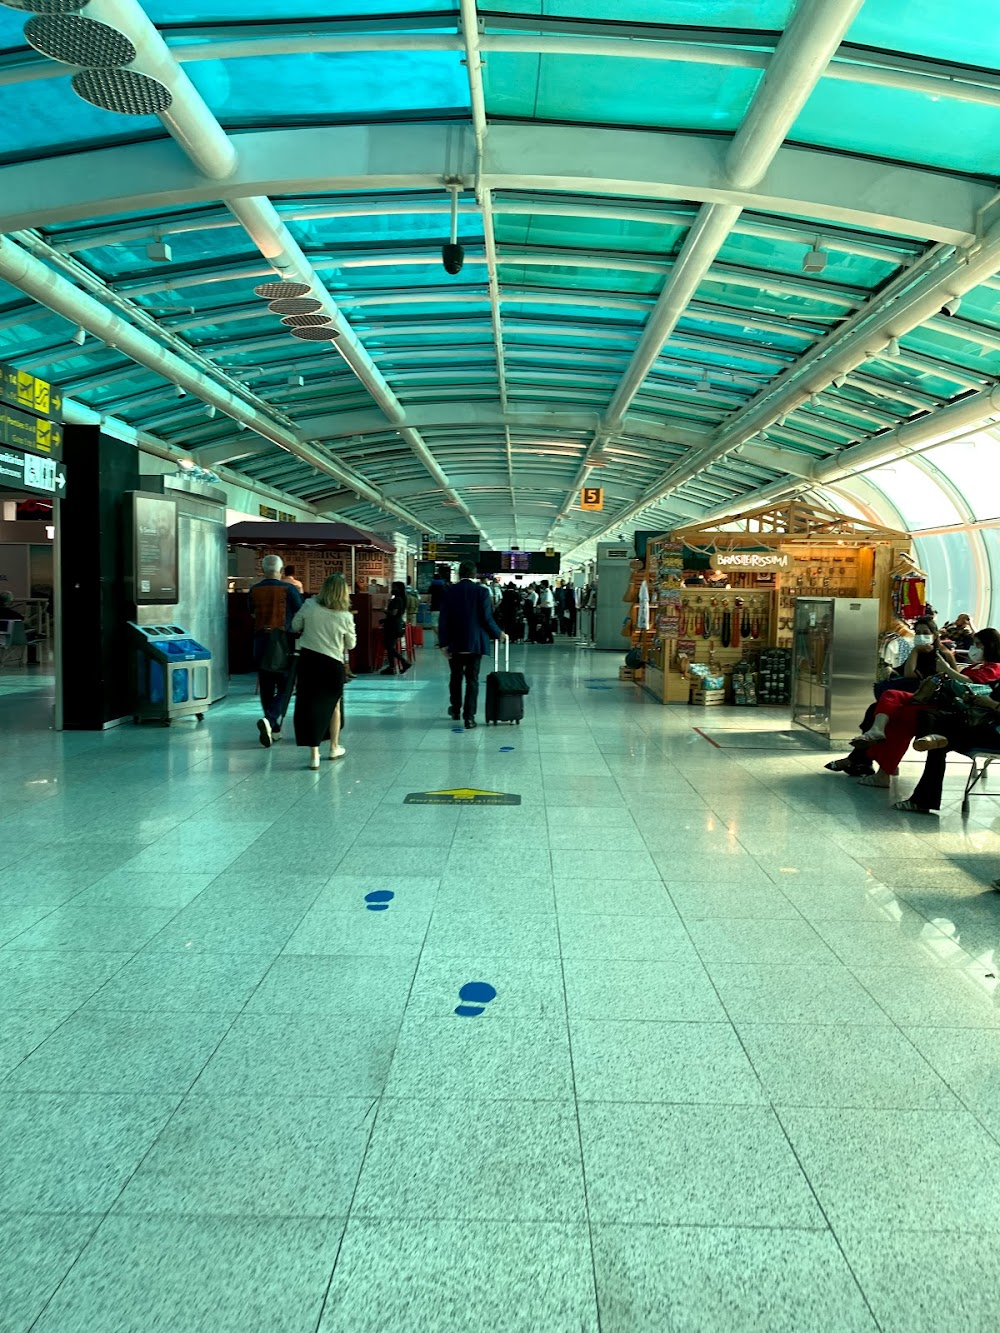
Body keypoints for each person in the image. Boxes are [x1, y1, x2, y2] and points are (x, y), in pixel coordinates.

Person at [851, 628, 1000, 788]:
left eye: (978, 644)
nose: (974, 648)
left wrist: (947, 670)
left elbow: (970, 683)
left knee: (901, 718)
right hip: (937, 699)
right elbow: (909, 672)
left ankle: (881, 767)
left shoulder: (993, 667)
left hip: (951, 708)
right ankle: (876, 748)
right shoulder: (976, 665)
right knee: (889, 699)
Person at [825, 616, 940, 776]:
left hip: (922, 702)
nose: (921, 636)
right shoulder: (918, 655)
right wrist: (890, 670)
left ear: (934, 634)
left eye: (925, 632)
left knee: (885, 709)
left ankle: (857, 759)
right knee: (873, 710)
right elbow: (901, 672)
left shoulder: (940, 656)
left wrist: (914, 651)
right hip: (908, 699)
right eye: (918, 632)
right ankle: (862, 759)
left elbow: (910, 674)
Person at [894, 680, 1000, 814]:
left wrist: (990, 704)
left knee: (939, 744)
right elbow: (986, 690)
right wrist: (974, 699)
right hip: (983, 724)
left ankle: (923, 801)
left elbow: (991, 703)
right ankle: (931, 739)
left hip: (993, 735)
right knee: (929, 715)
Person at [291, 573, 356, 770]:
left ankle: (314, 755)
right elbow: (351, 644)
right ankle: (334, 747)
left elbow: (294, 626)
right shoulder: (345, 616)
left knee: (310, 705)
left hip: (309, 661)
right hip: (332, 665)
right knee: (334, 706)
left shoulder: (309, 606)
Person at [438, 559, 505, 729]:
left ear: (460, 574)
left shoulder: (449, 591)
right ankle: (469, 717)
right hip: (475, 643)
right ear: (474, 574)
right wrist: (499, 633)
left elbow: (443, 620)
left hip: (455, 642)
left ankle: (455, 709)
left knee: (455, 677)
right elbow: (486, 618)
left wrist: (443, 644)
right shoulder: (482, 592)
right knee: (472, 680)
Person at [249, 554, 303, 747]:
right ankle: (271, 720)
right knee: (286, 686)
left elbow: (252, 612)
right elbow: (300, 611)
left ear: (263, 570)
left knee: (266, 687)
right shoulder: (289, 589)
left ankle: (273, 728)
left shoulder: (254, 590)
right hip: (282, 643)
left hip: (260, 643)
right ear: (280, 570)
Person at [381, 580, 411, 675]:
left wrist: (384, 611)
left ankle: (400, 663)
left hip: (392, 627)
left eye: (393, 587)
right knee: (389, 647)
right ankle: (395, 666)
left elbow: (394, 613)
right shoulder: (401, 599)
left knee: (389, 647)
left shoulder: (397, 600)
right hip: (396, 625)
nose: (392, 589)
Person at [428, 565, 450, 644]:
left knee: (434, 625)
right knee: (441, 625)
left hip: (435, 607)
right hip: (443, 608)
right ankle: (441, 639)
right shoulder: (444, 586)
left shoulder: (432, 587)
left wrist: (427, 605)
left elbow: (429, 597)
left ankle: (441, 638)